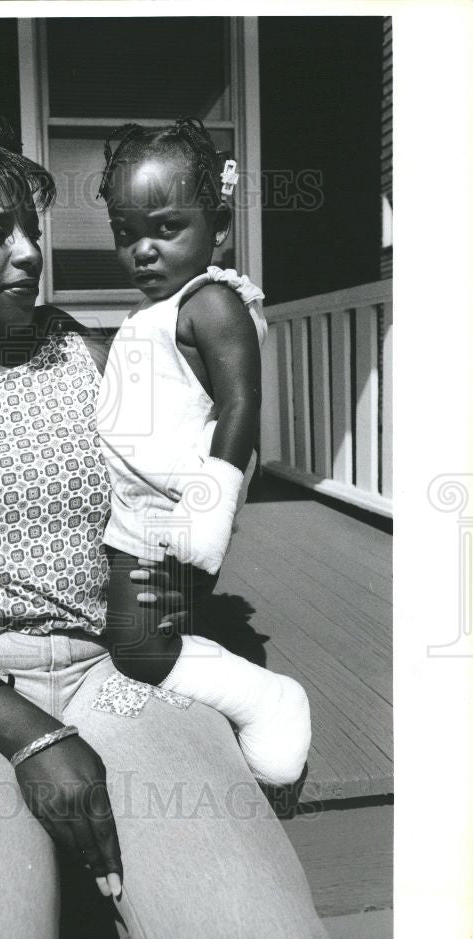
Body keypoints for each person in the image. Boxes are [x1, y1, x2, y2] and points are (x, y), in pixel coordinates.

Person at [0, 106, 331, 939]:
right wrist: (29, 734)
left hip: (119, 671)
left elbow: (179, 489)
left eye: (31, 229)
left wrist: (169, 590)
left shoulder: (101, 360)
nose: (27, 252)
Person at [95, 119, 312, 787]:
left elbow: (240, 405)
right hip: (132, 508)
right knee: (137, 628)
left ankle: (265, 699)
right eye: (126, 233)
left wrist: (209, 514)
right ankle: (186, 678)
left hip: (176, 516)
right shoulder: (154, 315)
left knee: (136, 641)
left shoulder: (210, 302)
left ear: (216, 225)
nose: (143, 251)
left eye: (164, 228)